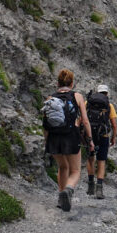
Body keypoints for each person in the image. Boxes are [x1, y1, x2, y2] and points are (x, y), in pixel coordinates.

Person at [43, 69, 94, 211]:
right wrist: (90, 140)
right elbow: (85, 120)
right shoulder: (77, 96)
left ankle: (61, 197)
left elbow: (45, 123)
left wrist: (46, 141)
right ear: (72, 83)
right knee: (76, 170)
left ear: (57, 83)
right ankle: (68, 190)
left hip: (54, 137)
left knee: (62, 167)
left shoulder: (50, 98)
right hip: (71, 136)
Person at [86, 84, 117, 200]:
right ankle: (99, 189)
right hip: (103, 136)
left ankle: (90, 185)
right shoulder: (109, 105)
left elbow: (82, 119)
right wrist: (113, 137)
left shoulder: (87, 103)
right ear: (106, 93)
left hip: (89, 136)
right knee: (101, 161)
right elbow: (114, 125)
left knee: (90, 159)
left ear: (97, 92)